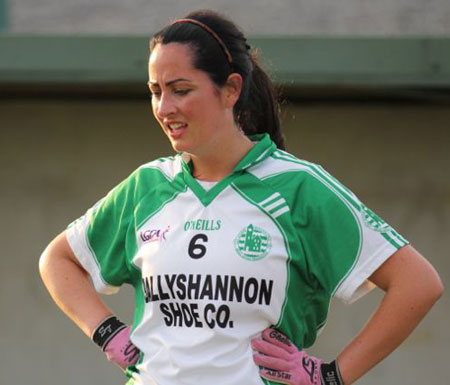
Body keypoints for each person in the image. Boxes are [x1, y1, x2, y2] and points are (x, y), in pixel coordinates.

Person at [39, 9, 443, 385]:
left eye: (180, 90)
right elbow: (58, 260)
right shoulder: (147, 187)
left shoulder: (299, 187)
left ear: (231, 89)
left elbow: (418, 283)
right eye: (155, 91)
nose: (164, 108)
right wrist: (108, 333)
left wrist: (330, 376)